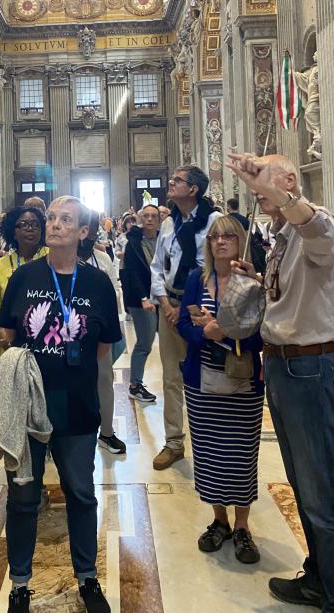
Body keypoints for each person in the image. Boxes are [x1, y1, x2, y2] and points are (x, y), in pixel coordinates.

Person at [227, 152, 334, 611]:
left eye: (264, 181)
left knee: (324, 490)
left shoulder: (317, 223)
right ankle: (320, 577)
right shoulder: (281, 239)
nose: (256, 192)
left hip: (311, 368)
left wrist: (277, 192)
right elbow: (290, 295)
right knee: (304, 486)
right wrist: (257, 281)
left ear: (287, 181)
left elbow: (310, 225)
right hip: (283, 368)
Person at [0, 196, 121, 613]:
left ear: (83, 232)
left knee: (82, 493)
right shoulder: (24, 276)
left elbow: (104, 347)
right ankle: (19, 583)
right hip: (30, 406)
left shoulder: (97, 283)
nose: (54, 225)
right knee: (23, 496)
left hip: (79, 404)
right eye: (51, 218)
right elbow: (8, 334)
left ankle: (87, 577)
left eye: (66, 220)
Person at [178, 216, 263, 564]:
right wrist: (204, 334)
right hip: (203, 380)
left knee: (242, 456)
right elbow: (184, 322)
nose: (220, 241)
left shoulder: (252, 283)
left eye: (228, 236)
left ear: (240, 241)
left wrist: (225, 333)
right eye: (215, 237)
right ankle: (219, 520)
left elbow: (264, 331)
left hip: (243, 380)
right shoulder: (197, 280)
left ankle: (243, 525)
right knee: (209, 453)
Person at [149, 166, 221, 470]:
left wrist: (189, 305)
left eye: (177, 181)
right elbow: (157, 267)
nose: (170, 183)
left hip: (204, 309)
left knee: (208, 375)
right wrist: (166, 304)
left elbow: (216, 267)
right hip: (171, 307)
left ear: (193, 189)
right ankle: (174, 442)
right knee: (171, 377)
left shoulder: (215, 222)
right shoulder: (168, 224)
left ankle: (211, 441)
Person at [0, 205, 47, 390]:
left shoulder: (53, 259)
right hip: (9, 343)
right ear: (13, 231)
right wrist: (3, 332)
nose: (30, 228)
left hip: (47, 341)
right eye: (23, 224)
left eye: (35, 224)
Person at [78, 211, 126, 456]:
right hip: (68, 332)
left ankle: (106, 432)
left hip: (98, 332)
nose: (87, 235)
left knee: (104, 380)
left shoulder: (102, 258)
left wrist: (114, 327)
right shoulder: (60, 258)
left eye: (92, 229)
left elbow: (113, 290)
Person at [121, 203, 160, 402]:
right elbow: (132, 274)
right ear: (140, 219)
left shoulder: (164, 239)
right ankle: (135, 384)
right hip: (142, 299)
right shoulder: (134, 243)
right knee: (145, 342)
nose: (150, 219)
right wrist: (143, 298)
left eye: (154, 216)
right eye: (147, 216)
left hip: (163, 297)